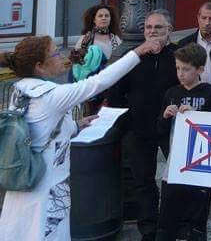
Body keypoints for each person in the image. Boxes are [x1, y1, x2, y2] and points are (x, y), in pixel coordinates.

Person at [0, 35, 160, 241]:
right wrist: (137, 52)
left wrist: (75, 125)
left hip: (22, 178)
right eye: (55, 53)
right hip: (47, 186)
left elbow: (37, 128)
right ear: (40, 66)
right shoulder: (51, 95)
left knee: (21, 232)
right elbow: (99, 82)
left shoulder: (20, 89)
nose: (61, 56)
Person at [105, 10, 180, 240]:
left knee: (176, 180)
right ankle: (149, 229)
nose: (152, 32)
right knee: (143, 182)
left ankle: (173, 225)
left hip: (171, 129)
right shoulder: (132, 56)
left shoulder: (177, 56)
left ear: (169, 30)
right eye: (148, 27)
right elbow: (115, 92)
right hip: (139, 130)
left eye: (158, 27)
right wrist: (127, 122)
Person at [157, 43, 211, 241]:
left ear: (200, 70)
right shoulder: (171, 94)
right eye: (177, 68)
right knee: (168, 212)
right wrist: (165, 117)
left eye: (186, 69)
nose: (180, 73)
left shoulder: (209, 93)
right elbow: (159, 130)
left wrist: (198, 117)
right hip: (175, 165)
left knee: (197, 214)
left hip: (201, 166)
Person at [69, 4, 123, 113]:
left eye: (107, 16)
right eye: (100, 16)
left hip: (111, 80)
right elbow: (76, 63)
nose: (104, 18)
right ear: (94, 20)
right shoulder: (86, 38)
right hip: (92, 82)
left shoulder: (115, 39)